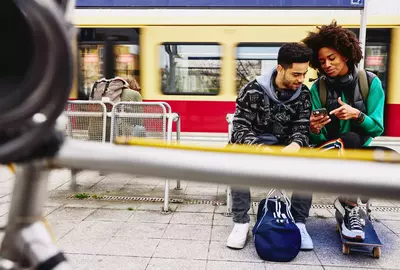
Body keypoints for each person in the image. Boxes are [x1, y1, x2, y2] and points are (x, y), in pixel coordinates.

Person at [301, 21, 387, 240]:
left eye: (332, 58)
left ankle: (350, 201)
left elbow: (377, 128)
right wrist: (314, 128)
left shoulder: (370, 83)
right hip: (326, 151)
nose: (327, 65)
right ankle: (349, 206)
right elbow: (314, 137)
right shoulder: (317, 88)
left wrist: (357, 115)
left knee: (390, 157)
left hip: (355, 152)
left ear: (346, 55)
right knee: (349, 138)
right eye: (321, 61)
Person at [227, 43, 314, 250]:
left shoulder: (304, 94)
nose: (301, 80)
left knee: (311, 161)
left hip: (286, 146)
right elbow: (240, 127)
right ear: (280, 68)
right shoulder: (252, 90)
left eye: (304, 74)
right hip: (256, 145)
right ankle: (241, 222)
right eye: (296, 74)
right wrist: (260, 149)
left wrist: (295, 144)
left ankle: (299, 222)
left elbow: (302, 128)